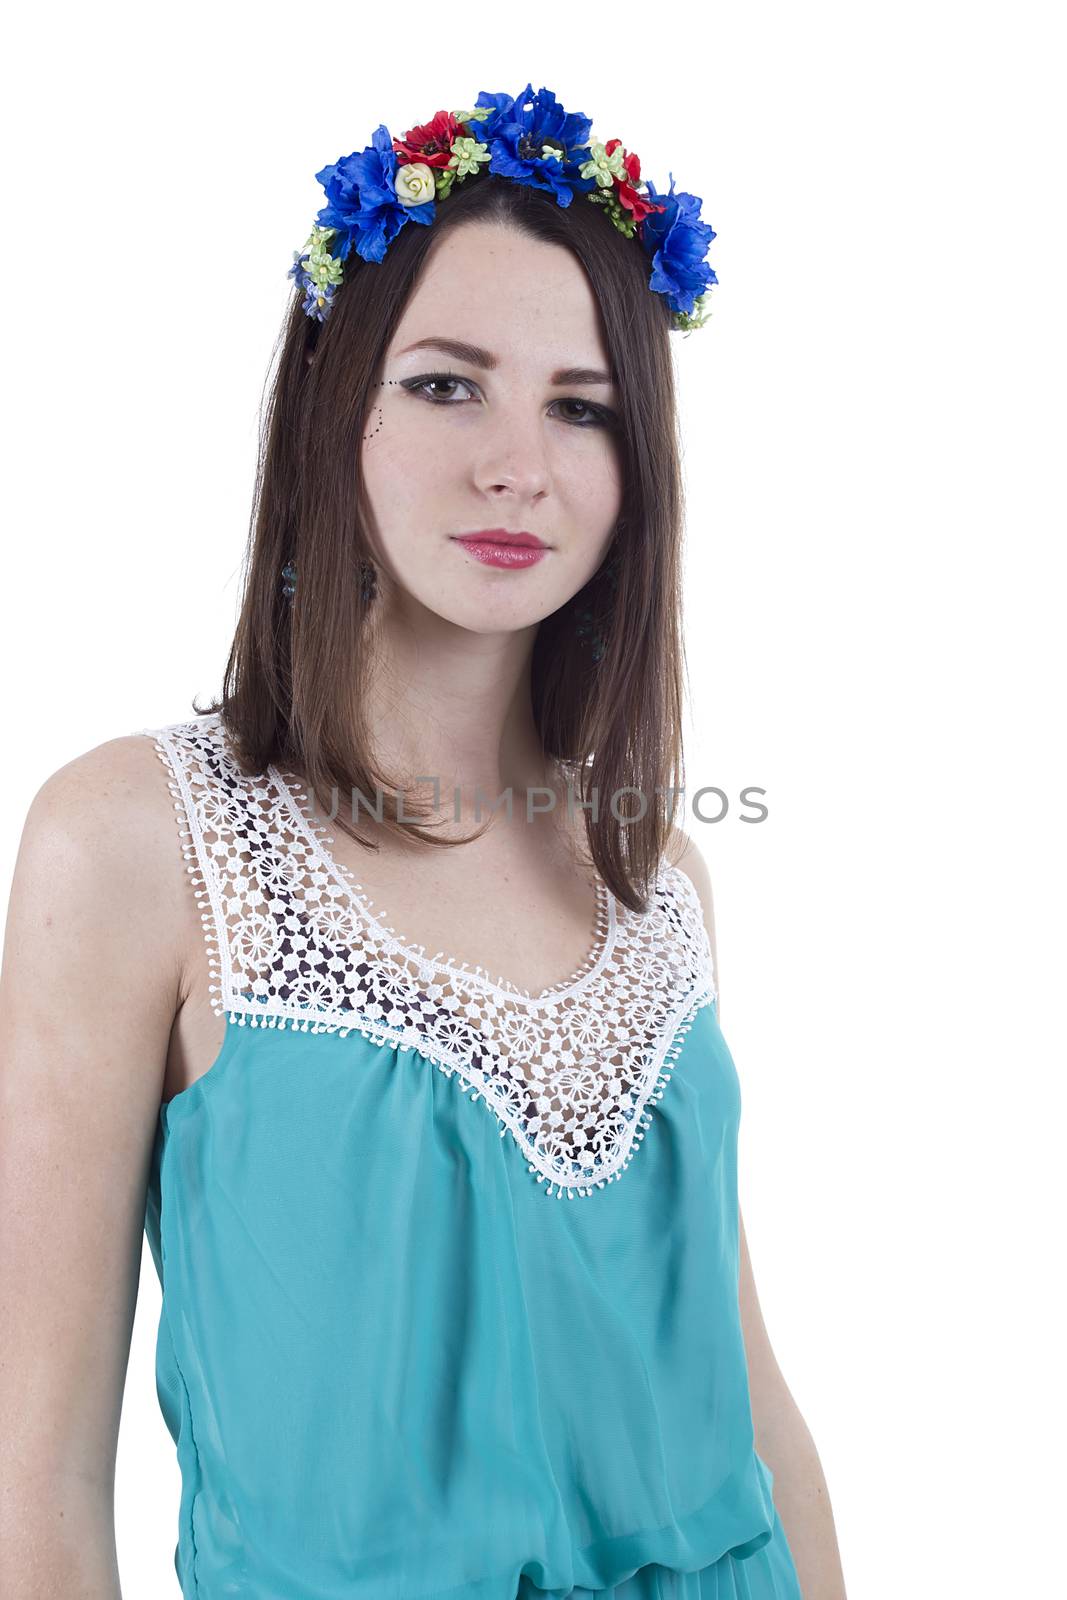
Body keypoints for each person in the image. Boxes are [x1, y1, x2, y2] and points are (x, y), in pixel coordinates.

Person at [0, 86, 846, 1598]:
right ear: (343, 403)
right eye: (452, 385)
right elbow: (40, 1481)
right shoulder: (139, 844)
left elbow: (754, 1412)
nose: (518, 464)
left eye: (582, 407)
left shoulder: (658, 884)